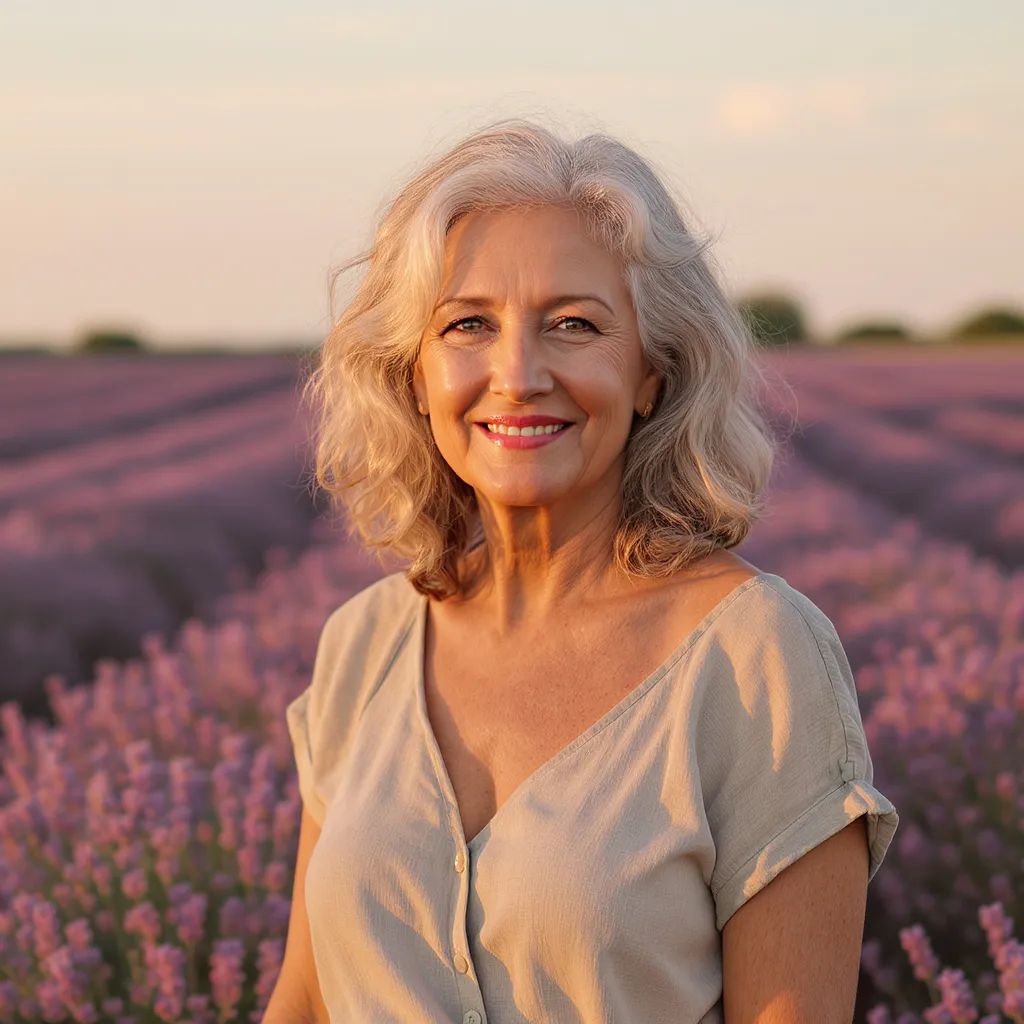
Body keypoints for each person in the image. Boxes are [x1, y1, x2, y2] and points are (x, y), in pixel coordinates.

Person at [266, 118, 899, 1024]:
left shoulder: (757, 655)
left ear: (652, 371)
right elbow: (306, 1000)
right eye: (468, 325)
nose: (517, 374)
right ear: (415, 375)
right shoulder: (363, 644)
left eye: (574, 324)